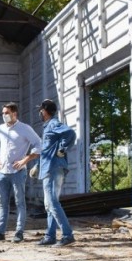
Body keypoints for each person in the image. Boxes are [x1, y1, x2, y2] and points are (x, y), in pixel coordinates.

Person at [0, 102, 42, 243]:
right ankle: (0, 232)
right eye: (3, 113)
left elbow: (39, 144)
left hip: (18, 172)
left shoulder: (25, 129)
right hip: (2, 172)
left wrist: (26, 160)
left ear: (14, 114)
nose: (4, 115)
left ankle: (19, 232)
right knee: (2, 203)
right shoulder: (0, 128)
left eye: (7, 113)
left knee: (19, 203)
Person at [35, 99, 77, 246]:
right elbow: (46, 149)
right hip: (48, 167)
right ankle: (50, 236)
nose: (40, 112)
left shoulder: (53, 124)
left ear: (45, 111)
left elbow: (70, 133)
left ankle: (67, 235)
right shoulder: (47, 127)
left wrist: (62, 149)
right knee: (49, 205)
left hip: (54, 167)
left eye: (41, 110)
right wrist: (37, 165)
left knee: (52, 202)